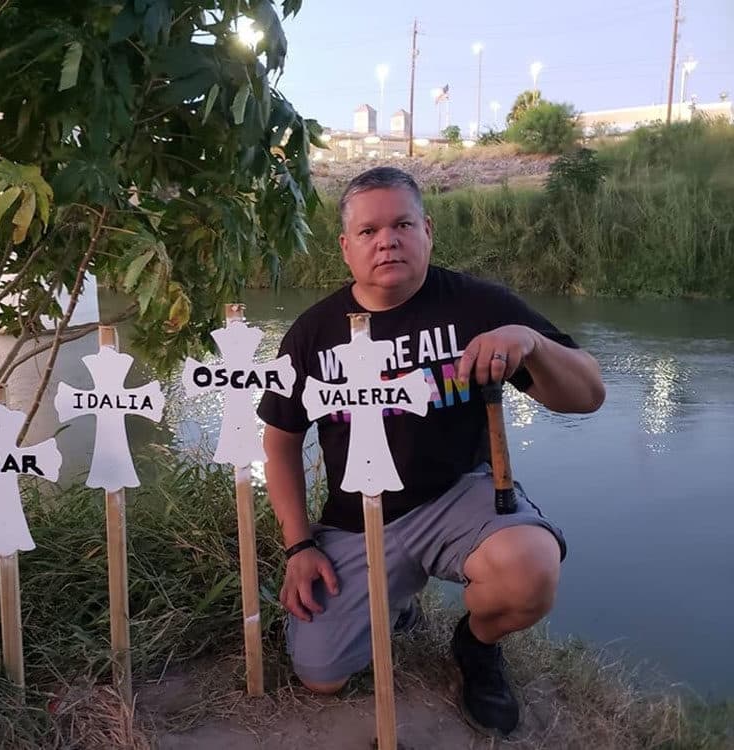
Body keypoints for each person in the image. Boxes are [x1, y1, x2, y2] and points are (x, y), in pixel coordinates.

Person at [257, 166, 605, 736]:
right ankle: (396, 603)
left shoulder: (477, 305)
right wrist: (298, 544)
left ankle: (476, 645)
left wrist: (530, 342)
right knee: (321, 674)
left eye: (402, 224)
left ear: (428, 231)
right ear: (345, 247)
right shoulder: (314, 332)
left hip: (458, 498)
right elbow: (280, 440)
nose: (386, 240)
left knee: (530, 571)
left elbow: (587, 395)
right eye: (368, 232)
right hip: (356, 518)